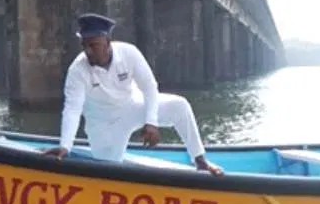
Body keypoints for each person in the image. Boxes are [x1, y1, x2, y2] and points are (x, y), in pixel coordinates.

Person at [43, 13, 224, 176]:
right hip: (103, 124)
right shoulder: (77, 70)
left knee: (180, 106)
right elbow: (72, 109)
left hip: (132, 106)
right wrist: (65, 146)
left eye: (93, 45)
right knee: (108, 172)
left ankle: (200, 160)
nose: (88, 51)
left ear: (107, 41)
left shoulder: (129, 53)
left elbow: (149, 87)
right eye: (84, 45)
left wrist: (151, 122)